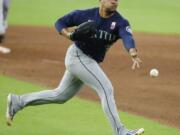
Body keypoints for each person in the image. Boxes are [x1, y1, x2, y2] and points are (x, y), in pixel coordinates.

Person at [6, 0, 144, 135]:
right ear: (101, 1)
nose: (114, 1)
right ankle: (120, 131)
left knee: (60, 95)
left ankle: (18, 102)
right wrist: (69, 35)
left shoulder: (120, 22)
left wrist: (132, 51)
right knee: (106, 88)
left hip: (87, 61)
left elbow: (127, 37)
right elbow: (59, 22)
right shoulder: (85, 15)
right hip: (77, 56)